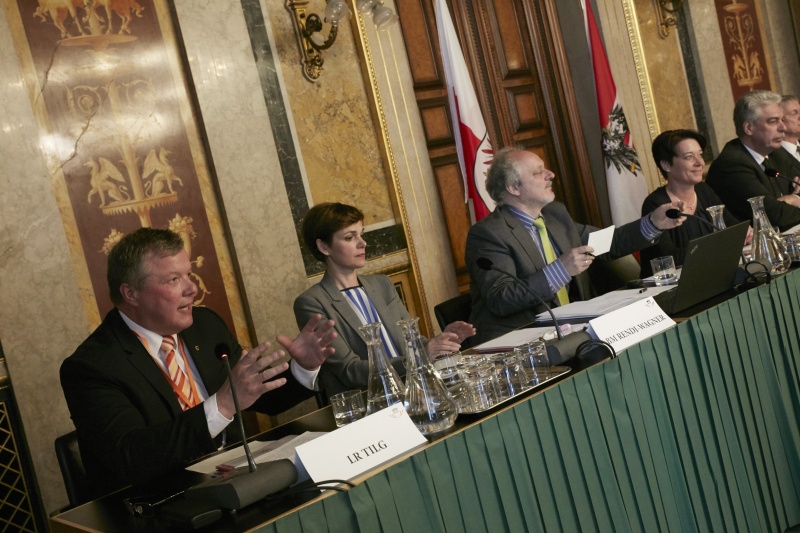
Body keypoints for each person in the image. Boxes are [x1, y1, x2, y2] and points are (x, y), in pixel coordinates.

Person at [60, 228, 337, 497]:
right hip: (161, 503)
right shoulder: (92, 367)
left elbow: (262, 398)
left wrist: (303, 367)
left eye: (189, 275)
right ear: (131, 294)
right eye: (173, 280)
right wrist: (223, 405)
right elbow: (131, 457)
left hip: (240, 484)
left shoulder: (205, 325)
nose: (192, 288)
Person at [465, 146, 683, 345]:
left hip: (572, 331)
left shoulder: (555, 215)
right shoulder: (488, 234)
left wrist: (653, 222)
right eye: (538, 172)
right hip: (522, 343)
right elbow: (502, 298)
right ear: (514, 187)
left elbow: (608, 243)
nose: (550, 174)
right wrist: (561, 269)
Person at [293, 202, 475, 400]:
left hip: (416, 391)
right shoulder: (312, 302)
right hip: (371, 403)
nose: (362, 243)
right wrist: (421, 357)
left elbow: (412, 343)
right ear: (323, 246)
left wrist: (440, 344)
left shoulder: (381, 284)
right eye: (349, 237)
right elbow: (350, 371)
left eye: (361, 234)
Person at [640, 129, 752, 277]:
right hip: (670, 287)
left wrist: (745, 233)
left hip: (709, 275)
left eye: (700, 155)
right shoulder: (655, 204)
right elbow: (668, 258)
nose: (700, 162)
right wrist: (720, 245)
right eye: (689, 157)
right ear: (666, 165)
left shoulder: (704, 191)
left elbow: (734, 227)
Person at [706, 90, 800, 231]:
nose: (783, 127)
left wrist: (794, 199)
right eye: (773, 121)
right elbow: (774, 215)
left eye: (781, 120)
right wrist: (793, 200)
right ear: (749, 127)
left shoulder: (775, 152)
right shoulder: (732, 164)